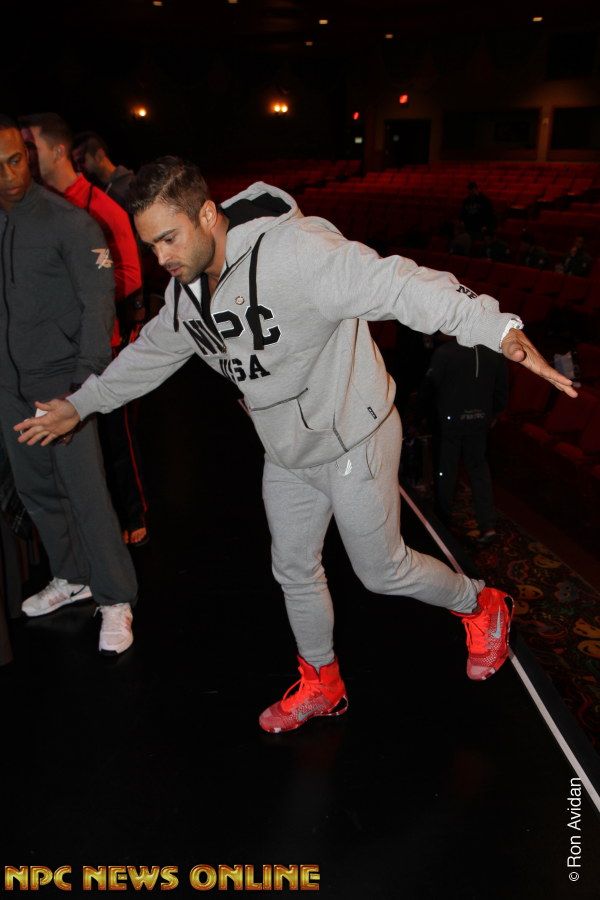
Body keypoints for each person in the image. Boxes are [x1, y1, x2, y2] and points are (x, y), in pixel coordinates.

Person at [15, 158, 577, 727]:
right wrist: (79, 405)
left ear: (206, 215)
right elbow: (149, 354)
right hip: (287, 450)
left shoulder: (296, 253)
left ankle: (481, 604)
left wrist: (495, 328)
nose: (161, 258)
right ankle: (321, 682)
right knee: (293, 568)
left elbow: (396, 282)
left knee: (382, 572)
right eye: (151, 244)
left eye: (169, 238)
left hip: (354, 436)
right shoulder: (186, 294)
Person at [0, 115, 138, 654]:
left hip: (62, 382)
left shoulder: (70, 223)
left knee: (87, 493)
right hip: (8, 386)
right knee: (36, 489)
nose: (9, 174)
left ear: (30, 155)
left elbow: (98, 309)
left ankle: (116, 597)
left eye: (15, 160)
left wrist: (82, 391)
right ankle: (73, 575)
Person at [19, 113, 150, 547]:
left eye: (30, 147)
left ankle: (132, 514)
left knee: (113, 436)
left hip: (100, 343)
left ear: (58, 151)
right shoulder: (35, 207)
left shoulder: (102, 207)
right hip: (51, 346)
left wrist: (74, 293)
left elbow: (131, 276)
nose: (23, 157)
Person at [421, 337, 509, 544]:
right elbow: (502, 389)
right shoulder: (494, 353)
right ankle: (487, 525)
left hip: (450, 421)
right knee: (478, 469)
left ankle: (442, 523)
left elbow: (429, 389)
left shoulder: (446, 352)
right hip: (480, 419)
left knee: (446, 470)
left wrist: (422, 418)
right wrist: (493, 414)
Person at [72, 131, 134, 211]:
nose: (78, 168)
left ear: (99, 156)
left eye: (81, 161)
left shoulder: (130, 186)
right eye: (75, 164)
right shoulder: (92, 189)